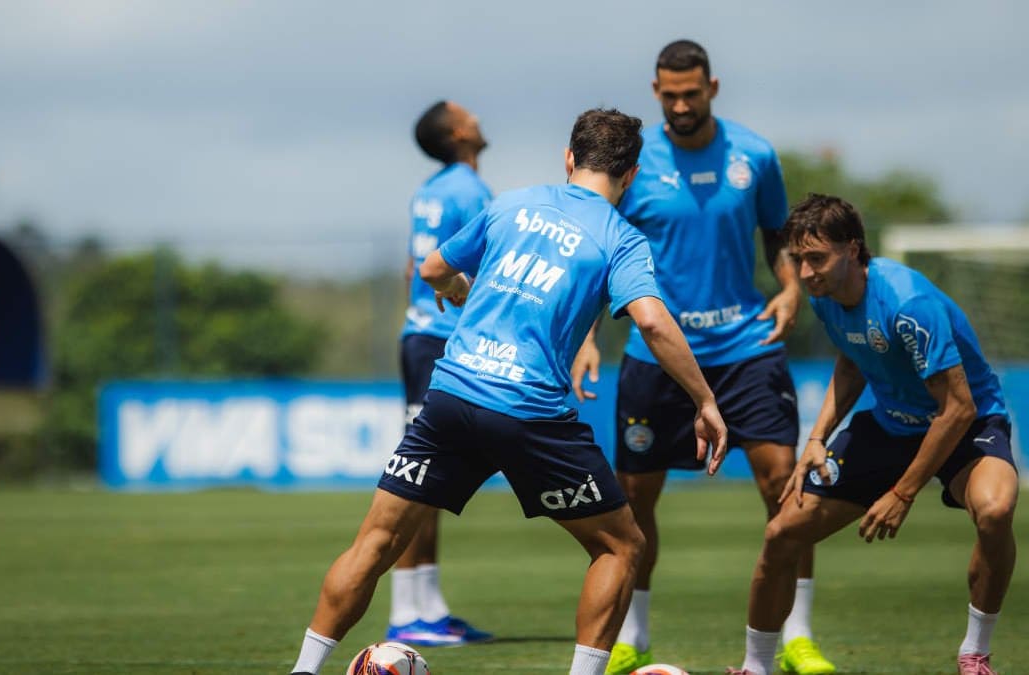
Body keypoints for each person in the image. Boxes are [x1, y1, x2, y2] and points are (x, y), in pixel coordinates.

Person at [288, 108, 727, 675]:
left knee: (374, 542)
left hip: (452, 395)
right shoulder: (621, 239)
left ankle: (303, 670)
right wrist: (705, 401)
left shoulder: (512, 203)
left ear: (568, 159)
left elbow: (430, 268)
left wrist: (459, 286)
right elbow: (654, 323)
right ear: (633, 174)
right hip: (529, 411)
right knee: (621, 546)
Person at [571, 39, 835, 675]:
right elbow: (596, 249)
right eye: (669, 94)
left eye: (692, 93)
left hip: (746, 348)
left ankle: (795, 636)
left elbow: (781, 236)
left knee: (784, 486)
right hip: (655, 353)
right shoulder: (633, 165)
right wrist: (584, 335)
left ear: (712, 87)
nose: (681, 104)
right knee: (633, 502)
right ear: (656, 90)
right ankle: (633, 635)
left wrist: (792, 287)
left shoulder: (756, 155)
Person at [725, 193, 1019, 675]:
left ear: (854, 250)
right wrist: (817, 437)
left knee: (995, 510)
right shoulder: (828, 299)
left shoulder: (909, 303)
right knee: (781, 534)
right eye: (798, 260)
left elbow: (958, 407)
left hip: (967, 424)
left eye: (816, 259)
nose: (804, 274)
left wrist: (902, 492)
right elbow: (852, 360)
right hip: (890, 426)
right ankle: (756, 668)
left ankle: (974, 654)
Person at [385, 99, 494, 647]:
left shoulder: (430, 190)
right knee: (419, 476)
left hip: (420, 337)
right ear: (458, 132)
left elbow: (413, 265)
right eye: (465, 112)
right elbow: (486, 266)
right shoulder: (471, 191)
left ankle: (427, 605)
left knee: (430, 473)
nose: (476, 115)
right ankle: (406, 611)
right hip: (439, 340)